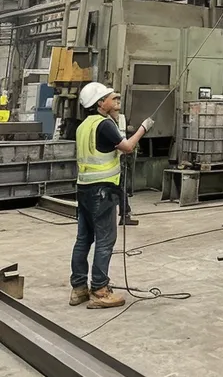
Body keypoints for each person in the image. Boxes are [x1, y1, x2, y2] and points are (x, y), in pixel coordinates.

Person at [69, 81, 154, 309]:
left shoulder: (83, 126)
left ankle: (78, 289)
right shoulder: (104, 125)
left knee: (83, 240)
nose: (114, 100)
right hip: (102, 192)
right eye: (110, 98)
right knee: (105, 241)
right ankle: (99, 289)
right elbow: (126, 148)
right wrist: (143, 129)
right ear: (100, 103)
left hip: (84, 189)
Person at [110, 93, 138, 227]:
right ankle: (125, 213)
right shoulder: (104, 123)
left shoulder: (120, 119)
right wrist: (143, 129)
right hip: (110, 162)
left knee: (121, 187)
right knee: (119, 187)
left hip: (119, 158)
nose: (117, 108)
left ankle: (125, 213)